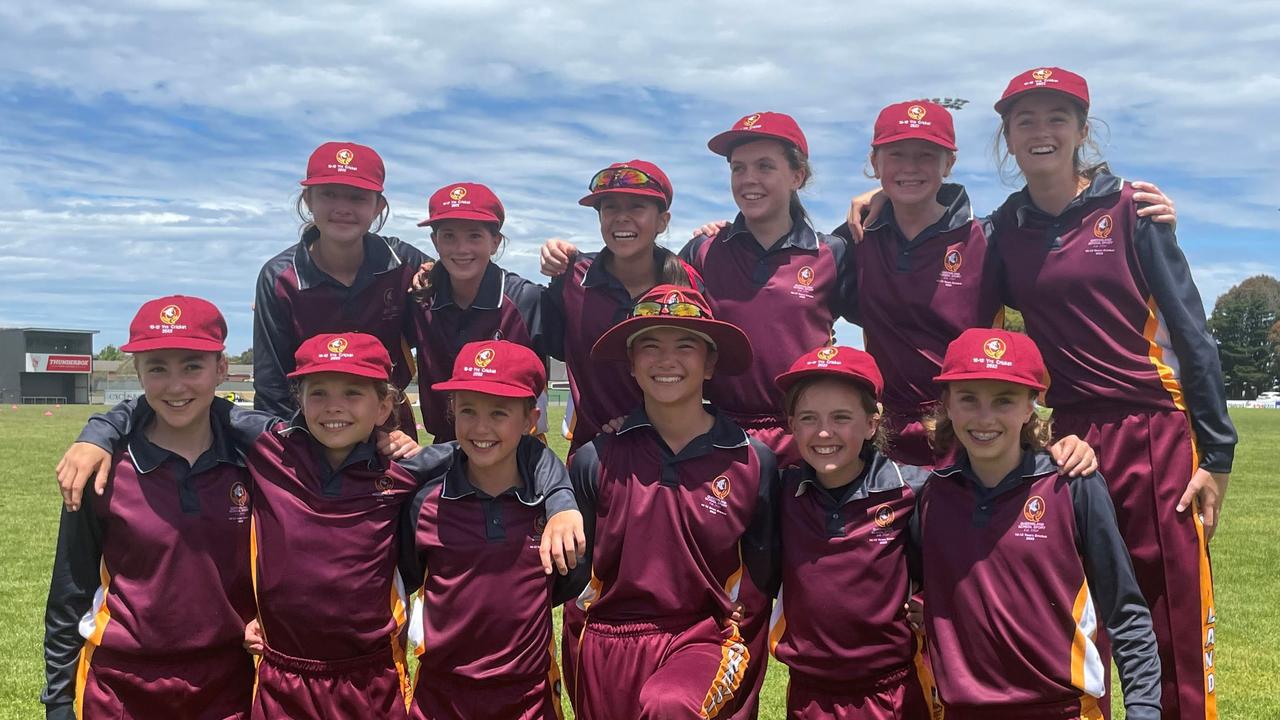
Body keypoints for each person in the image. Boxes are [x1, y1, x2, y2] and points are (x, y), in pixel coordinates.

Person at [57, 332, 584, 719]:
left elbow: (503, 448)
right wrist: (101, 429)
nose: (334, 408)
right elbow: (177, 397)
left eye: (353, 394)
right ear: (297, 402)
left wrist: (560, 497)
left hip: (374, 679)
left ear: (385, 408)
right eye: (319, 393)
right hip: (281, 676)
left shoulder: (405, 468)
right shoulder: (266, 446)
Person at [986, 66, 1235, 720]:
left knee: (1170, 615)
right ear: (1007, 137)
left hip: (1153, 431)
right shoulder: (1001, 231)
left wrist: (1217, 455)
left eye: (1056, 118)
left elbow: (1192, 332)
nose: (1042, 132)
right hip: (1068, 437)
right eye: (1025, 120)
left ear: (1081, 129)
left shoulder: (1132, 210)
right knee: (1075, 615)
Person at [913, 328, 1162, 720]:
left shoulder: (1073, 485)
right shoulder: (931, 496)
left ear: (1032, 406)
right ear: (947, 404)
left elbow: (1126, 611)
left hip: (1063, 710)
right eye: (968, 399)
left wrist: (1145, 710)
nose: (985, 417)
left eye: (1004, 400)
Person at [568, 284, 778, 719]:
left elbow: (759, 587)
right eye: (649, 346)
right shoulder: (596, 459)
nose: (666, 361)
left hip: (703, 636)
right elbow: (577, 585)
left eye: (685, 345)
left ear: (710, 362)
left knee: (671, 705)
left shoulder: (752, 462)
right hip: (609, 644)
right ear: (630, 362)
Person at [42, 295, 257, 720]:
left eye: (192, 366)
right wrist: (59, 700)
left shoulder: (256, 461)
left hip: (228, 685)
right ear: (138, 372)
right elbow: (71, 590)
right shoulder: (101, 468)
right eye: (157, 367)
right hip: (120, 687)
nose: (175, 386)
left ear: (221, 368)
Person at [401, 340, 585, 719]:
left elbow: (563, 584)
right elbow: (404, 582)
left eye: (499, 413)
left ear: (531, 420)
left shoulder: (552, 508)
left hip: (528, 698)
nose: (480, 427)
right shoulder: (426, 505)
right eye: (468, 410)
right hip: (442, 696)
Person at [770, 344, 936, 719]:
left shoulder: (913, 490)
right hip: (808, 693)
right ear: (792, 424)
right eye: (809, 418)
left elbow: (947, 572)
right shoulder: (778, 491)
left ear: (872, 423)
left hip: (891, 693)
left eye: (841, 417)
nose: (824, 432)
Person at [253, 141, 431, 438]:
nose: (342, 208)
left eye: (357, 197)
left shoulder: (404, 263)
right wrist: (287, 457)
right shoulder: (279, 278)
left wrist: (438, 273)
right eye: (328, 194)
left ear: (378, 207)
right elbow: (272, 389)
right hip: (311, 438)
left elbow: (459, 301)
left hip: (391, 438)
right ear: (308, 200)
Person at [538, 159, 698, 453]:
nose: (621, 218)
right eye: (610, 207)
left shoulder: (689, 282)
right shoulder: (571, 278)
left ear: (663, 221)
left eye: (637, 207)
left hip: (677, 451)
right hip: (594, 456)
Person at [409, 182, 549, 442]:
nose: (461, 249)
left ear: (494, 242)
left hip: (514, 451)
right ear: (434, 242)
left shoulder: (526, 299)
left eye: (474, 236)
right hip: (446, 450)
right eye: (449, 236)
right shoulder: (421, 299)